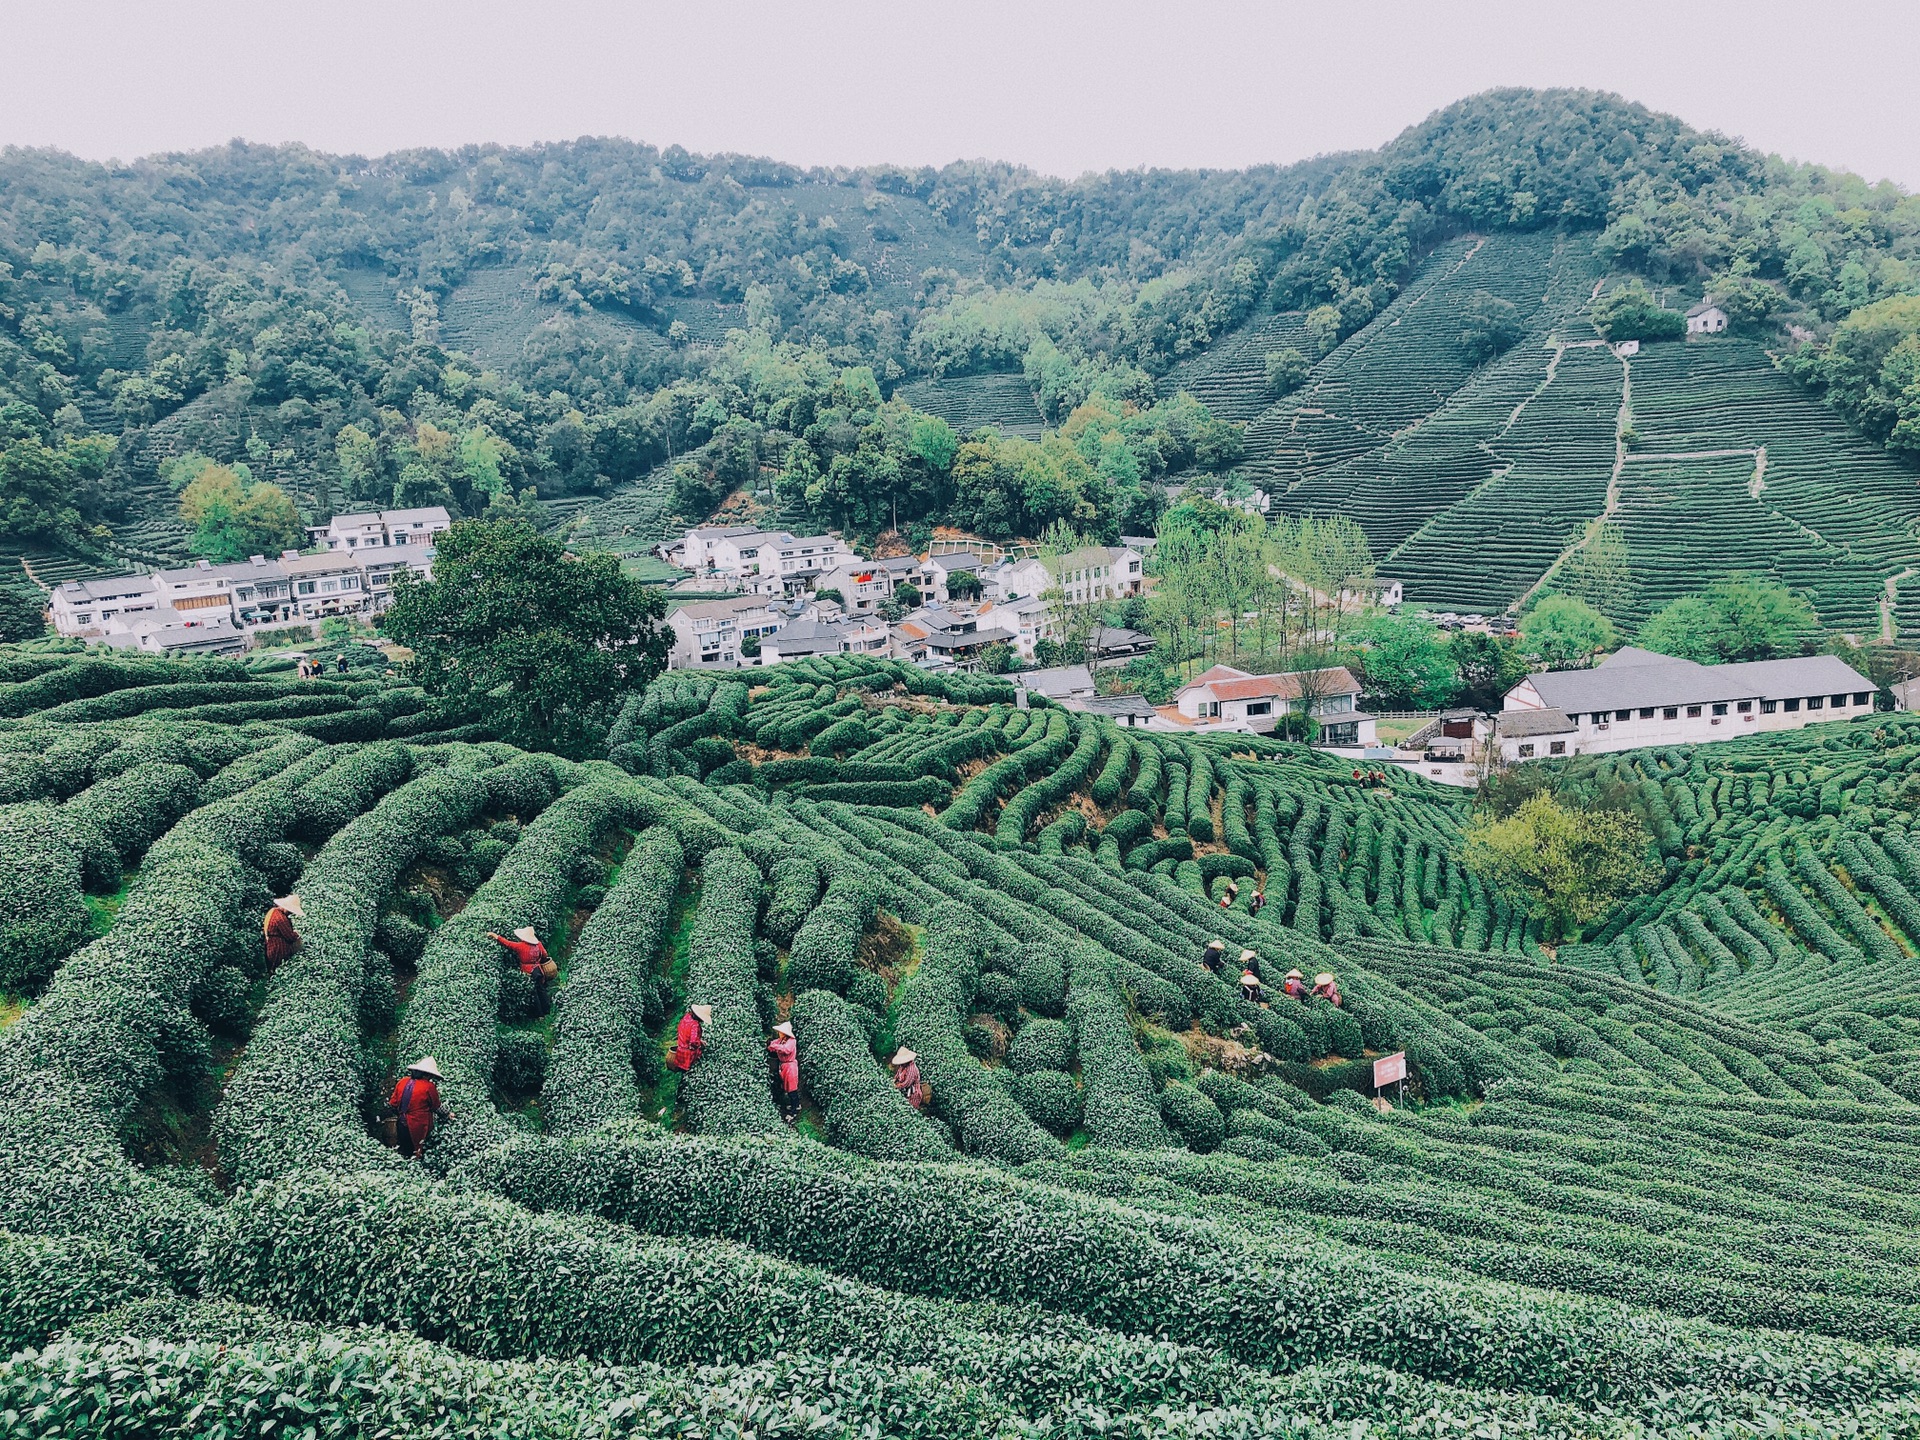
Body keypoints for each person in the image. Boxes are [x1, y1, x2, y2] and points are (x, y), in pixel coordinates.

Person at [387, 1056, 452, 1159]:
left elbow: (392, 1104)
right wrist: (448, 1114)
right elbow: (436, 1106)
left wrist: (402, 1114)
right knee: (417, 1151)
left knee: (404, 1149)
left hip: (401, 1123)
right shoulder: (428, 1086)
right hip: (418, 1126)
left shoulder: (402, 1081)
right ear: (426, 1075)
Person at [490, 926, 555, 1002]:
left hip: (529, 972)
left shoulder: (520, 946)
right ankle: (547, 1009)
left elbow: (507, 943)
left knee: (534, 993)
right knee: (541, 989)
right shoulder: (538, 944)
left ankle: (539, 1012)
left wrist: (496, 936)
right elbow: (545, 954)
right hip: (539, 970)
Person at [767, 1021, 800, 1122]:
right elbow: (773, 1044)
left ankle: (794, 1111)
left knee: (792, 1089)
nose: (779, 1034)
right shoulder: (781, 1040)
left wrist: (774, 1047)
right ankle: (796, 1104)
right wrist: (770, 1044)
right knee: (787, 1087)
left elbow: (786, 1050)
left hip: (790, 1067)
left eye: (780, 1032)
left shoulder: (791, 1041)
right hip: (784, 1067)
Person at [263, 894, 303, 966]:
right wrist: (297, 934)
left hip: (270, 946)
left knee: (273, 968)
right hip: (278, 949)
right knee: (279, 966)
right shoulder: (280, 918)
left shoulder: (273, 911)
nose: (291, 913)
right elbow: (290, 937)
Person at [671, 1004, 711, 1072]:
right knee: (690, 1068)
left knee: (681, 1069)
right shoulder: (695, 1025)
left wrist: (700, 1041)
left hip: (680, 1048)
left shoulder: (687, 1017)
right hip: (688, 1054)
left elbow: (686, 1034)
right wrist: (700, 1045)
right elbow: (693, 1042)